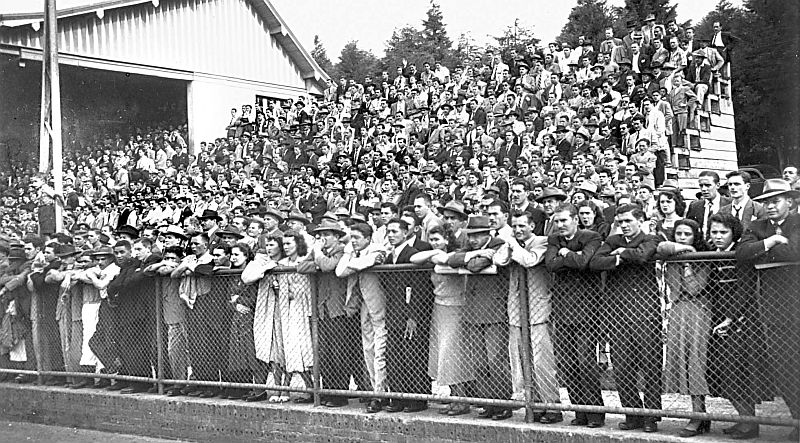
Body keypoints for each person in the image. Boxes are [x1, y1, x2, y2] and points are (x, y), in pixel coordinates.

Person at [736, 179, 800, 441]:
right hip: (773, 310)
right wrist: (772, 241)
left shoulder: (798, 223)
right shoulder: (757, 226)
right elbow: (742, 253)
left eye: (776, 201)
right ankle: (798, 420)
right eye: (767, 202)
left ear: (790, 202)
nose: (770, 206)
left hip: (796, 301)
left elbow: (795, 250)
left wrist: (762, 255)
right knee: (785, 369)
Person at [589, 204, 662, 433]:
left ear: (640, 220)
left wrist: (620, 253)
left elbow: (643, 256)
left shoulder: (650, 238)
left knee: (650, 366)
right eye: (620, 222)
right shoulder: (613, 240)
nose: (624, 226)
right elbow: (595, 262)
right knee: (622, 367)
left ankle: (651, 416)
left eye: (628, 221)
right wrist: (619, 258)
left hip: (644, 314)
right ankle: (632, 414)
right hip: (618, 314)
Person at [705, 213, 773, 440]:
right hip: (720, 318)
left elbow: (745, 288)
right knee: (724, 372)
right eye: (714, 232)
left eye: (723, 232)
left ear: (733, 233)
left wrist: (730, 318)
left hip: (741, 321)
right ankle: (744, 420)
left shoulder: (740, 254)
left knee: (739, 373)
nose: (718, 236)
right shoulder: (714, 253)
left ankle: (750, 424)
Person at [494, 211, 562, 424]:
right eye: (514, 226)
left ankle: (552, 405)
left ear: (532, 226)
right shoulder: (512, 242)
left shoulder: (542, 242)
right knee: (521, 360)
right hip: (516, 310)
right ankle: (532, 404)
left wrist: (514, 244)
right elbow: (499, 260)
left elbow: (529, 260)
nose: (518, 230)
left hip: (538, 310)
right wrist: (510, 244)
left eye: (522, 226)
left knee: (542, 361)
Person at [545, 203, 605, 428]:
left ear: (575, 220)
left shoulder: (591, 237)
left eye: (564, 220)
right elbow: (551, 265)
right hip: (562, 309)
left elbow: (584, 262)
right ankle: (579, 411)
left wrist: (566, 254)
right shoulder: (554, 239)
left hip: (587, 310)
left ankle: (595, 413)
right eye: (557, 221)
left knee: (586, 362)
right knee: (568, 363)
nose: (560, 225)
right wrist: (573, 257)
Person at [446, 215, 512, 421]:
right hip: (473, 312)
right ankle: (487, 402)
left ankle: (502, 404)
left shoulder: (498, 244)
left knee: (496, 361)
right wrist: (476, 253)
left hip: (494, 312)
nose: (473, 239)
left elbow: (475, 266)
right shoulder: (471, 247)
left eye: (478, 235)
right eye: (471, 236)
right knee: (479, 362)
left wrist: (473, 258)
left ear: (488, 233)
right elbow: (452, 259)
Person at [298, 220, 364, 408]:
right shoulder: (319, 253)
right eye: (320, 235)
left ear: (336, 237)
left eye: (327, 235)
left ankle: (340, 394)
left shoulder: (342, 251)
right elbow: (301, 267)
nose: (322, 238)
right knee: (324, 353)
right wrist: (319, 263)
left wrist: (319, 259)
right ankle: (328, 391)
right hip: (322, 310)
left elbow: (330, 267)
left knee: (339, 353)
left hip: (339, 310)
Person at [656, 219, 712, 437]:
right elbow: (661, 248)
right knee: (683, 360)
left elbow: (694, 288)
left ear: (695, 236)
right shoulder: (673, 255)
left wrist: (688, 263)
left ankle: (698, 415)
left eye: (687, 234)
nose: (682, 237)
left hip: (698, 311)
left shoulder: (703, 259)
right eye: (678, 234)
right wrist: (684, 250)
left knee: (695, 360)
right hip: (678, 311)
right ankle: (700, 414)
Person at [410, 224, 473, 416]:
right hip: (439, 307)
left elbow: (447, 260)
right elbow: (414, 258)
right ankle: (454, 396)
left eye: (438, 239)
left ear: (447, 239)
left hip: (455, 306)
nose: (434, 242)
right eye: (431, 239)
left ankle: (461, 399)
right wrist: (434, 251)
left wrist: (438, 254)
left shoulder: (454, 256)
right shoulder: (433, 255)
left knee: (452, 351)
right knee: (441, 352)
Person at [335, 223, 388, 413]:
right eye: (352, 237)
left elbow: (361, 264)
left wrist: (355, 260)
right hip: (363, 307)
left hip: (379, 306)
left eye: (357, 237)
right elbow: (340, 271)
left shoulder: (378, 248)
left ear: (368, 238)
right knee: (368, 350)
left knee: (380, 351)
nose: (353, 241)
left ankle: (381, 394)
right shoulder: (353, 252)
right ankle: (376, 391)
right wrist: (351, 255)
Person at [382, 218, 430, 413]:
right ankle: (398, 397)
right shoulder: (389, 256)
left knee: (413, 356)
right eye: (388, 232)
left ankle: (417, 399)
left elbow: (419, 288)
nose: (391, 235)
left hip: (410, 315)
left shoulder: (412, 254)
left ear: (405, 232)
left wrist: (413, 316)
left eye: (395, 231)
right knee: (394, 357)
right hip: (394, 313)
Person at [170, 233, 215, 397]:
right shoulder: (190, 259)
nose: (193, 246)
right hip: (189, 303)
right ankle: (198, 381)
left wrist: (189, 268)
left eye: (197, 243)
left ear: (205, 245)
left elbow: (205, 271)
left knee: (205, 345)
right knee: (194, 345)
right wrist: (186, 267)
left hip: (204, 302)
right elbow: (174, 274)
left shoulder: (210, 258)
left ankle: (209, 384)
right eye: (192, 244)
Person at [240, 234, 284, 402]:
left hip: (284, 308)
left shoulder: (285, 261)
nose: (268, 248)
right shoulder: (261, 262)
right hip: (265, 310)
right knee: (271, 350)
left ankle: (286, 389)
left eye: (272, 245)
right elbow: (246, 278)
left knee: (284, 349)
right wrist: (265, 268)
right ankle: (277, 388)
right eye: (267, 245)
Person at [274, 231, 314, 403]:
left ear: (298, 243)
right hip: (289, 309)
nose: (286, 247)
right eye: (284, 244)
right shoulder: (283, 263)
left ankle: (314, 389)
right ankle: (310, 388)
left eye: (289, 243)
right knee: (293, 349)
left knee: (306, 349)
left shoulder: (304, 260)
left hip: (304, 309)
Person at [222, 242, 255, 400]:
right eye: (232, 255)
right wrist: (235, 304)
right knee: (236, 352)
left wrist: (239, 300)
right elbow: (228, 298)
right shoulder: (232, 273)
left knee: (248, 351)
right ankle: (238, 387)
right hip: (236, 316)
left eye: (237, 255)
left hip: (250, 317)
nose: (233, 258)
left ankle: (252, 386)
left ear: (246, 256)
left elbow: (255, 297)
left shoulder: (251, 272)